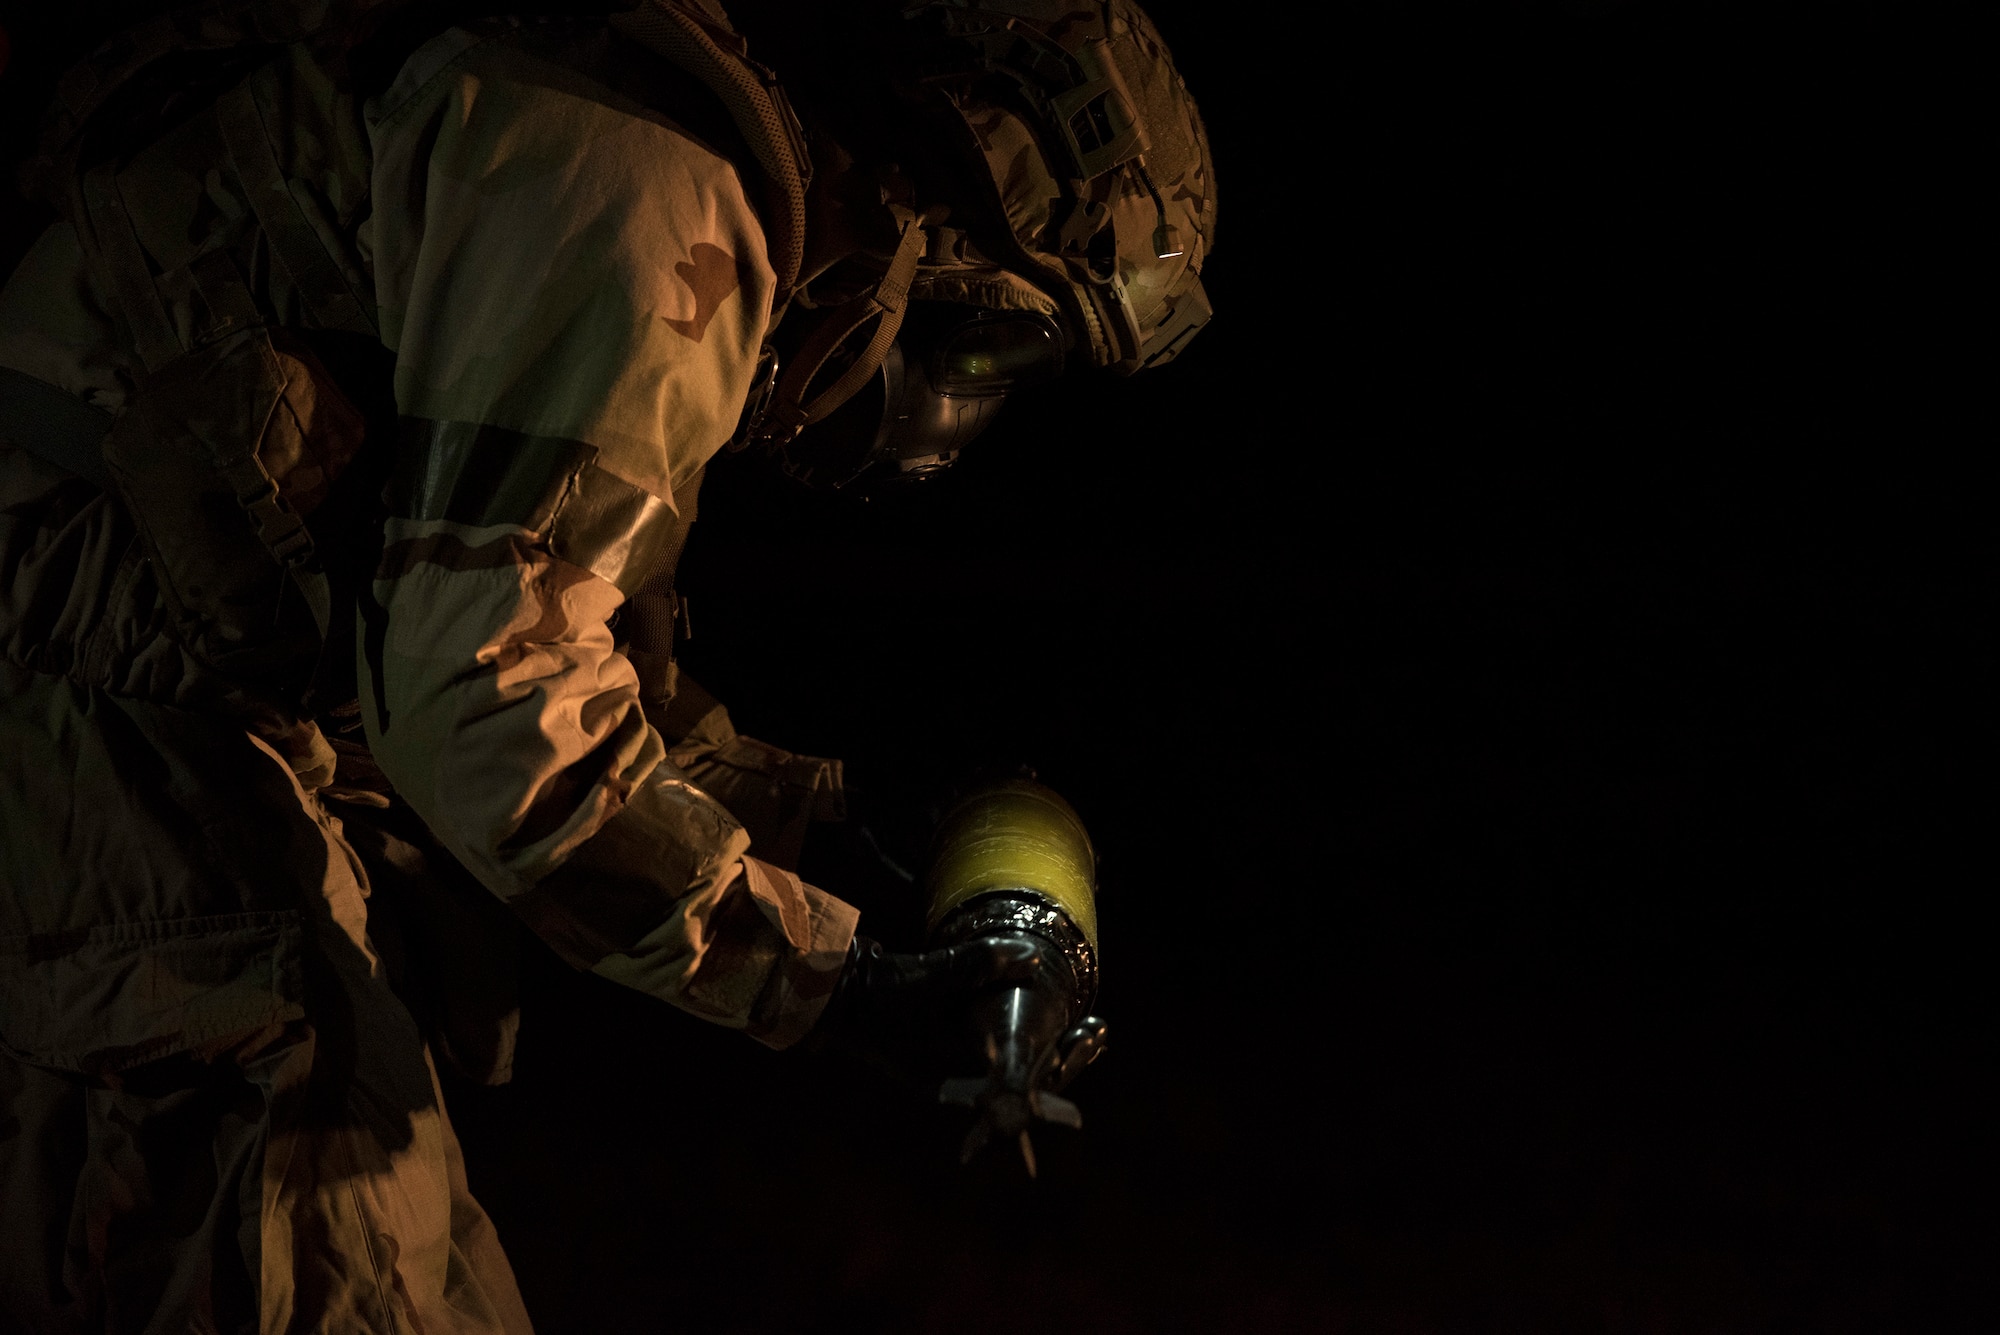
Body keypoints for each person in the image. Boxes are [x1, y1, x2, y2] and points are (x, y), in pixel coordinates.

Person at [0, 0, 1215, 1329]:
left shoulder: (638, 140)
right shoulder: (651, 188)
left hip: (143, 691)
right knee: (320, 1229)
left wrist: (851, 832)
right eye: (992, 341)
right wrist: (843, 982)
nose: (955, 406)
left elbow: (551, 648)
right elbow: (480, 702)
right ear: (929, 189)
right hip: (107, 702)